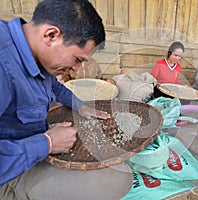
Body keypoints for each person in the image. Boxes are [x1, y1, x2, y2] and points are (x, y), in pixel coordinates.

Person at [0, 0, 132, 199]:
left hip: (30, 148)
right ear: (51, 35)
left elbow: (55, 87)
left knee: (117, 173)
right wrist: (47, 143)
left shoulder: (36, 55)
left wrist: (82, 106)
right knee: (116, 182)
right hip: (10, 173)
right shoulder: (3, 63)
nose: (75, 70)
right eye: (77, 59)